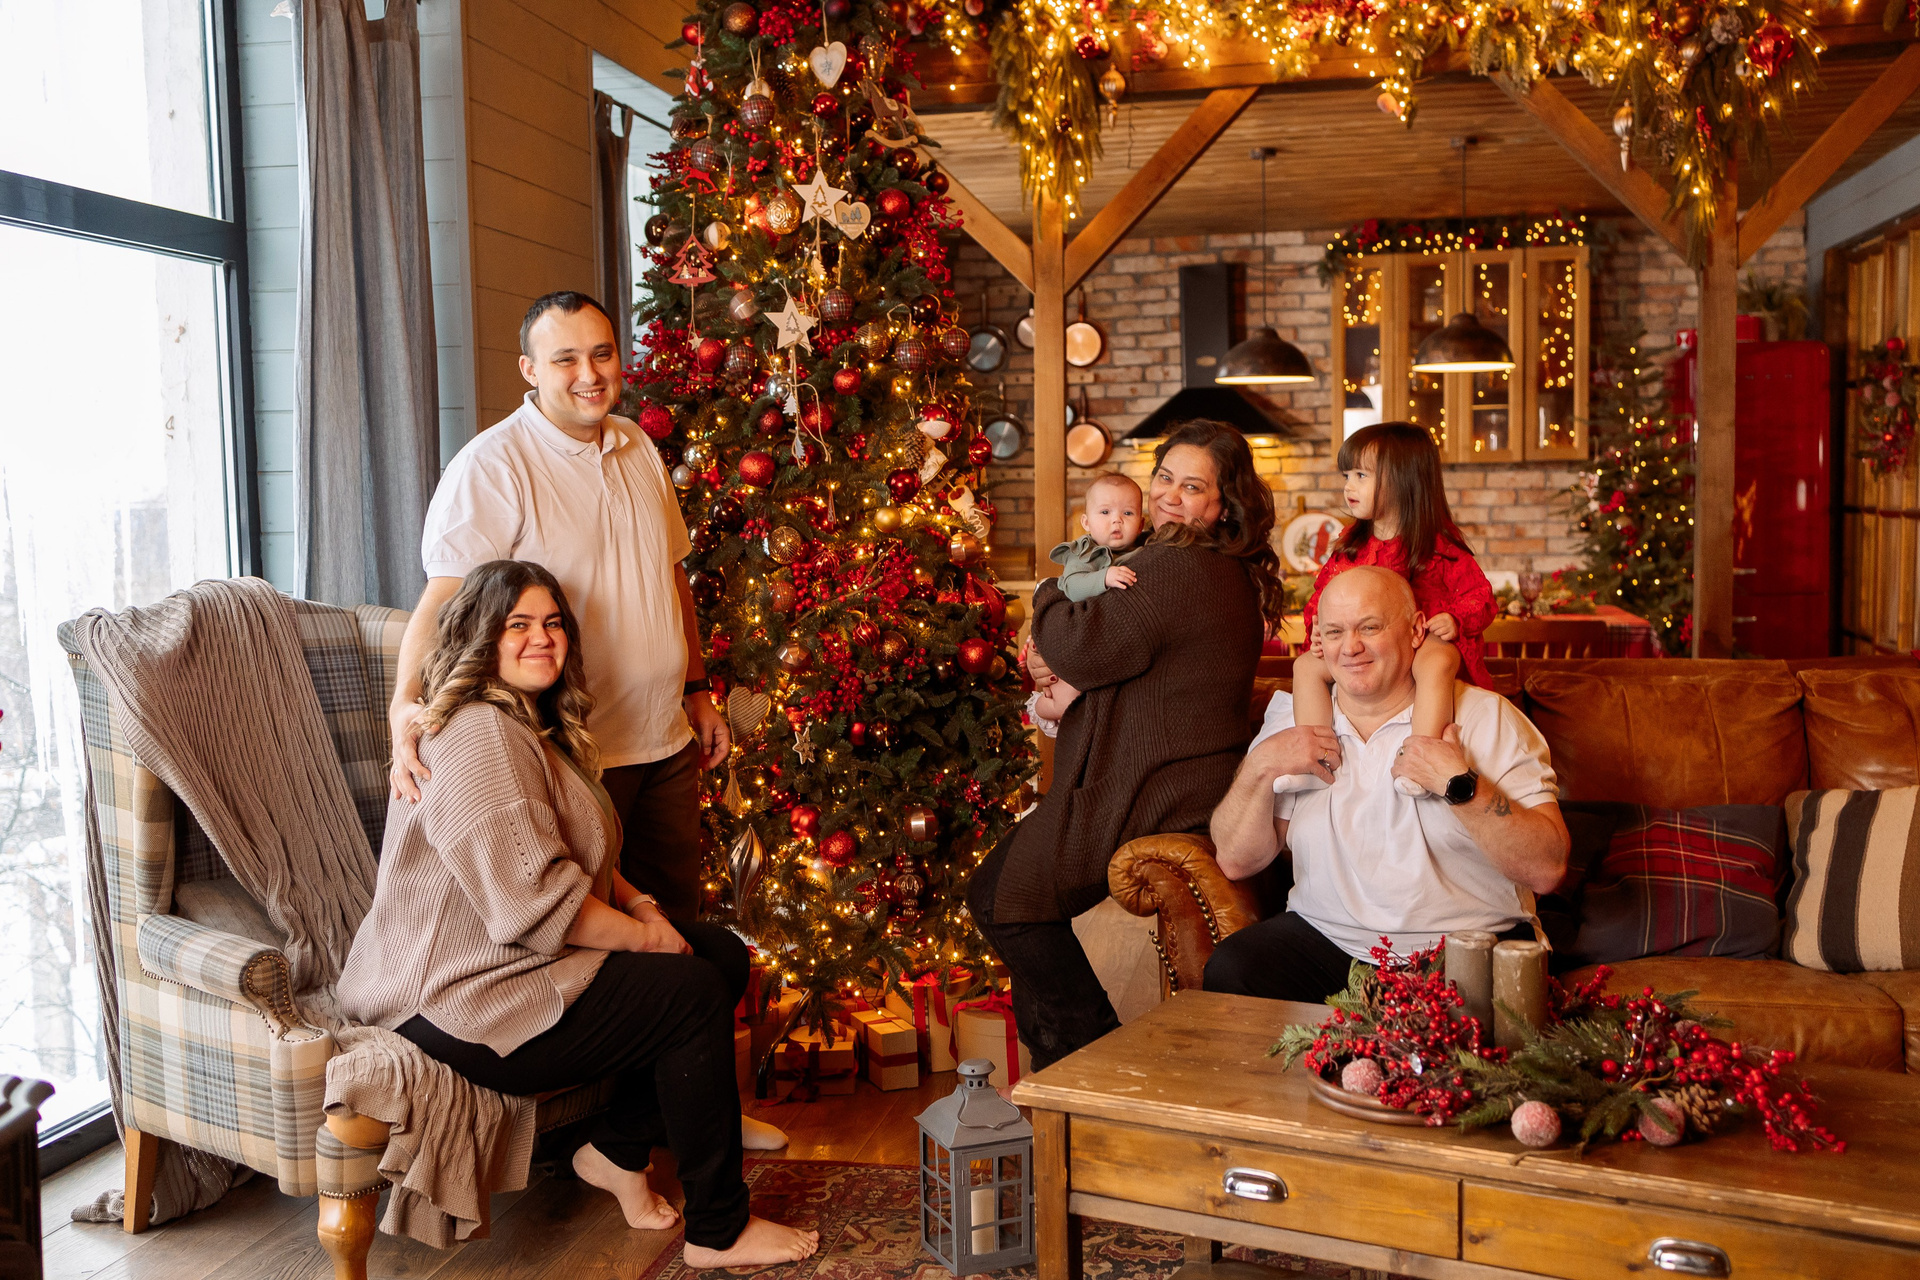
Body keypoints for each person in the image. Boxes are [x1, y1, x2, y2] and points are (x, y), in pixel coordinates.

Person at [338, 561, 818, 1268]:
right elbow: (537, 904)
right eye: (519, 625)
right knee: (689, 993)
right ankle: (719, 1231)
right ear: (480, 638)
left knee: (719, 954)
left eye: (553, 623)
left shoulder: (524, 725)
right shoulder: (478, 734)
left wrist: (643, 908)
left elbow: (574, 853)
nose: (542, 639)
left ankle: (616, 1151)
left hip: (509, 960)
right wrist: (646, 942)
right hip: (453, 999)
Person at [388, 291, 730, 923]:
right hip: (571, 753)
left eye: (602, 354)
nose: (589, 374)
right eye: (566, 359)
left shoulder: (637, 445)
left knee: (677, 925)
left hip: (666, 744)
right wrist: (404, 702)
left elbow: (671, 575)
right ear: (530, 369)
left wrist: (697, 690)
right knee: (598, 941)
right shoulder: (492, 466)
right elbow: (444, 599)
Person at [968, 420, 1283, 1071]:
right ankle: (1059, 1083)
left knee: (1007, 902)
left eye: (1192, 486)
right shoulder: (1219, 569)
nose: (1168, 494)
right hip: (1175, 776)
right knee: (999, 889)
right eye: (1164, 477)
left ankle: (1099, 1061)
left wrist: (1051, 590)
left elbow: (1077, 645)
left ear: (1223, 506)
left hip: (1148, 786)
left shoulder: (1172, 567)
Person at [1202, 566, 1570, 1003]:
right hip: (1329, 940)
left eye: (1370, 627)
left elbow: (1547, 869)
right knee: (1231, 969)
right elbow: (1236, 861)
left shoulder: (1485, 717)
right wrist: (1260, 766)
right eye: (1335, 632)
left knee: (1455, 1029)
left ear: (1416, 630)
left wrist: (1459, 784)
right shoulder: (1295, 720)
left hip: (1467, 944)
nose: (1350, 647)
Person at [1276, 421, 1496, 798]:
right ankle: (1315, 758)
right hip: (1367, 650)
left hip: (1419, 643)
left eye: (1361, 476)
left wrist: (1456, 619)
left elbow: (1481, 596)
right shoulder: (1350, 548)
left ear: (1404, 480)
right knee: (1306, 667)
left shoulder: (1438, 548)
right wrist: (1318, 629)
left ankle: (1422, 758)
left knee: (1438, 660)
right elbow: (1323, 597)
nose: (1349, 486)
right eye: (1347, 475)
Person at [1026, 472, 1148, 733]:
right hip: (1072, 642)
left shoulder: (1143, 553)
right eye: (1105, 512)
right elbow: (1073, 586)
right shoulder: (1083, 554)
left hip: (1099, 648)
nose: (1116, 520)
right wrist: (1104, 577)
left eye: (1127, 513)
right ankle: (1039, 708)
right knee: (1068, 702)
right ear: (1086, 522)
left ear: (1141, 524)